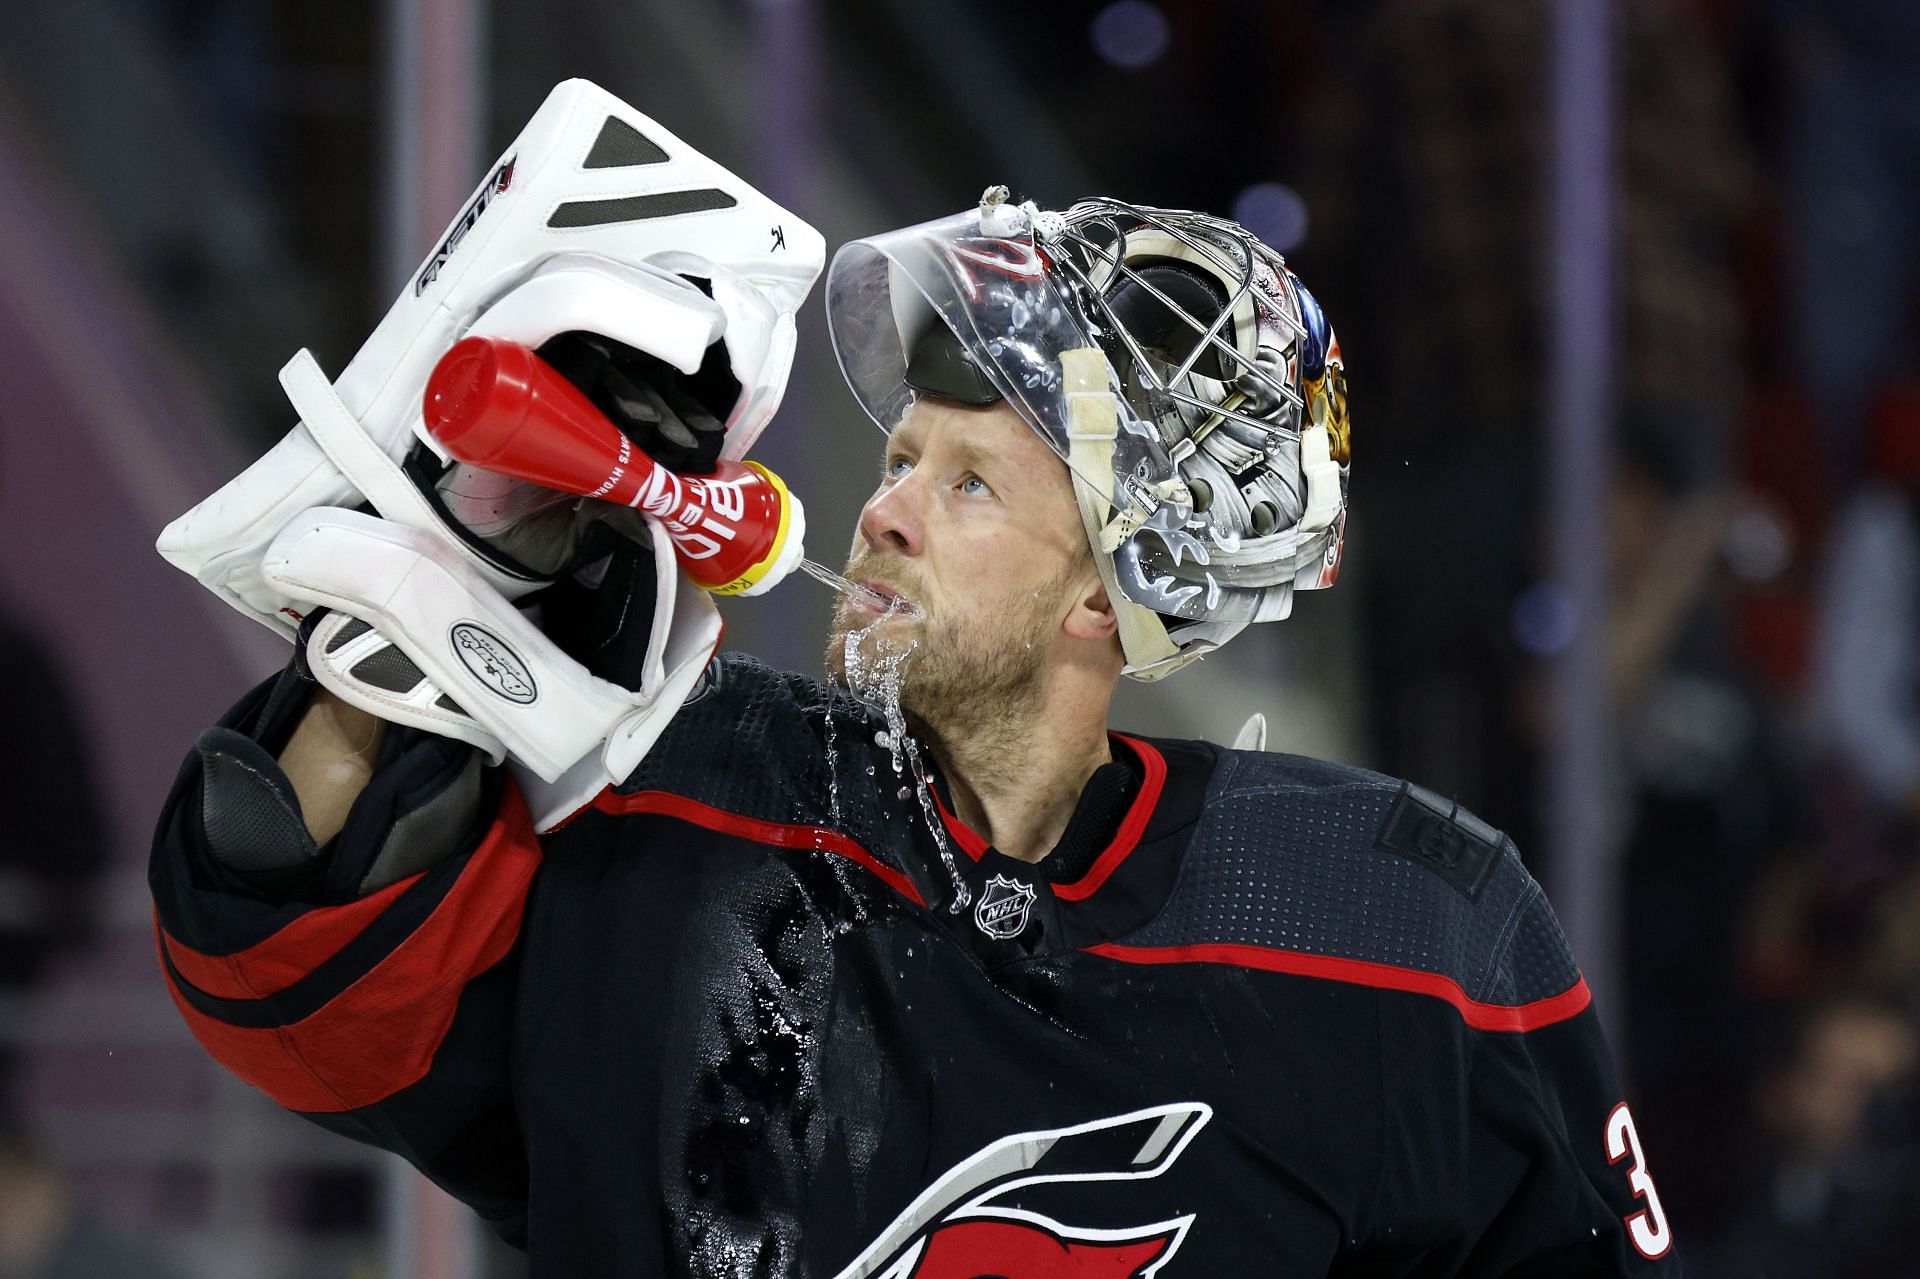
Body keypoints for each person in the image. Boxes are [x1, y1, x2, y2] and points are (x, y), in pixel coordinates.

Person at [148, 81, 1676, 1274]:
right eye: (899, 459)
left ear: (1117, 584)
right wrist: (441, 595)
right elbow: (291, 974)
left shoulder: (1406, 923)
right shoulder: (678, 789)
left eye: (968, 486)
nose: (880, 507)